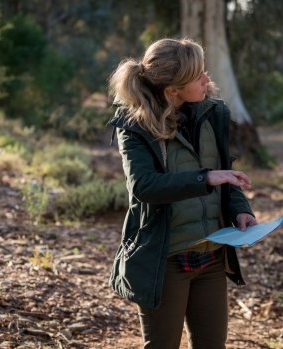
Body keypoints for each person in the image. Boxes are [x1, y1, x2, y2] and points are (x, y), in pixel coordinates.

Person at [107, 37, 257, 349]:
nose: (207, 79)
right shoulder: (135, 126)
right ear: (173, 90)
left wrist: (241, 209)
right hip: (167, 260)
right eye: (198, 75)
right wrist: (206, 178)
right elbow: (143, 186)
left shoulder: (212, 114)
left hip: (213, 255)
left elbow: (224, 173)